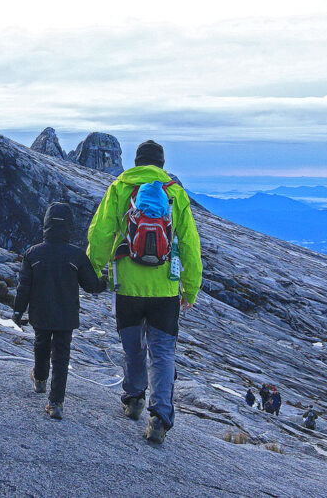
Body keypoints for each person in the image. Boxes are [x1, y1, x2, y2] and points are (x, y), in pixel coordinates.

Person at [86, 140, 203, 444]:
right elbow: (190, 244)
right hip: (165, 289)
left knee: (133, 347)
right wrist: (190, 288)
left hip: (128, 285)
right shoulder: (175, 192)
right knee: (163, 353)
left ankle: (134, 399)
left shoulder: (121, 187)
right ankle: (160, 417)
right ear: (162, 164)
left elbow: (101, 231)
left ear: (136, 162)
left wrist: (94, 268)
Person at [12, 202, 105, 420]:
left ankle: (40, 381)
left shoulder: (33, 254)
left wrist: (17, 312)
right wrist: (106, 282)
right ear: (69, 226)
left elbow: (23, 287)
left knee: (41, 344)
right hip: (66, 315)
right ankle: (56, 403)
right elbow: (91, 286)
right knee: (61, 357)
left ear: (46, 224)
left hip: (40, 313)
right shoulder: (76, 255)